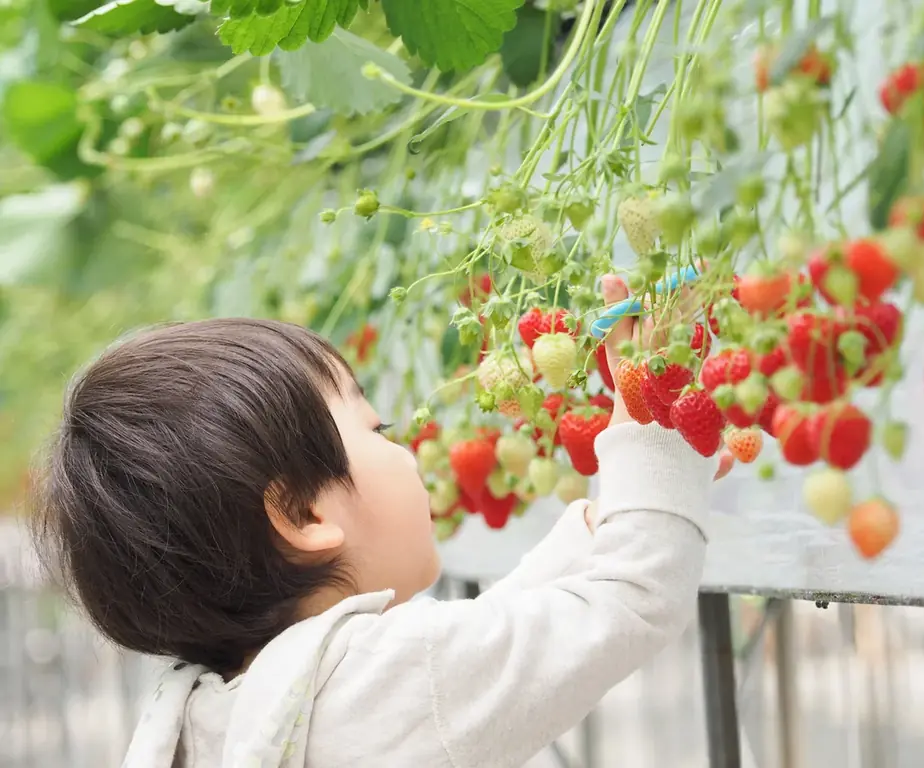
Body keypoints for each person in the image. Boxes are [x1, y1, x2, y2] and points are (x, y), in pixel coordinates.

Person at [32, 275, 732, 768]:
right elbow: (633, 600)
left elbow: (495, 642)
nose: (402, 448)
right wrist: (655, 434)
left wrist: (607, 519)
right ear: (304, 513)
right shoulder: (393, 679)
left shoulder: (215, 714)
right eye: (377, 427)